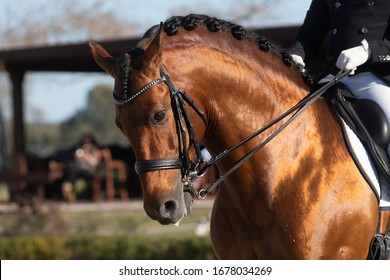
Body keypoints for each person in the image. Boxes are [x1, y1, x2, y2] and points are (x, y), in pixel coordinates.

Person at [287, 0, 390, 156]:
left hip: (375, 78)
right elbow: (309, 35)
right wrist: (293, 57)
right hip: (332, 77)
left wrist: (369, 51)